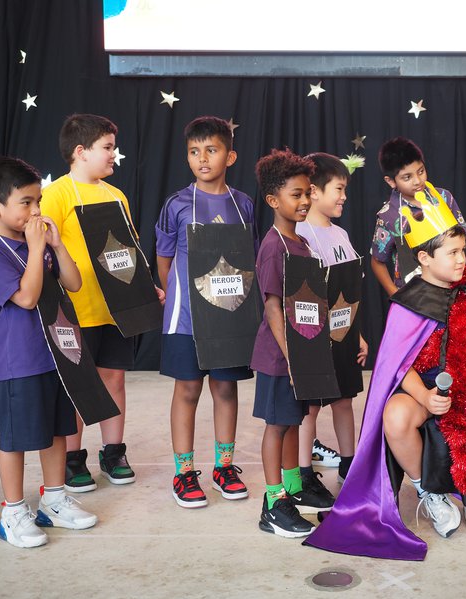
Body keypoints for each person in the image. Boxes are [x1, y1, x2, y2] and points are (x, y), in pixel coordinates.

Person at [306, 193, 466, 559]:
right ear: (425, 258)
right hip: (424, 382)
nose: (461, 259)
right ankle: (428, 492)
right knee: (395, 417)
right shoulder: (408, 303)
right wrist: (424, 396)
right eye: (452, 252)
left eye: (463, 251)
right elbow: (397, 365)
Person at [0, 157, 97, 548]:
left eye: (38, 201)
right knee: (16, 439)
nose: (35, 211)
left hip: (54, 355)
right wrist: (35, 248)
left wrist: (56, 245)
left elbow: (74, 282)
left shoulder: (41, 243)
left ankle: (54, 498)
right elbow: (27, 298)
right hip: (18, 362)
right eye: (25, 202)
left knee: (57, 431)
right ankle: (13, 512)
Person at [41, 114, 159, 492]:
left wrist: (146, 288)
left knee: (114, 379)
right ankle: (73, 458)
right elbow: (43, 249)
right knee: (77, 385)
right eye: (107, 147)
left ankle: (113, 452)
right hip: (75, 309)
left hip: (115, 309)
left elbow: (130, 249)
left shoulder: (116, 195)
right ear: (81, 151)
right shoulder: (57, 194)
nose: (113, 154)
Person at [155, 116, 258, 507]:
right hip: (186, 317)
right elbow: (164, 260)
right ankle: (184, 473)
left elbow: (246, 259)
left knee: (225, 388)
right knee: (187, 389)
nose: (202, 159)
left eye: (211, 150)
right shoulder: (177, 204)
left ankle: (223, 467)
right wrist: (179, 297)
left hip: (228, 315)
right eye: (194, 151)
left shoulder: (242, 203)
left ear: (229, 156)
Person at [252, 149, 332, 538]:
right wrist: (292, 358)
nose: (304, 201)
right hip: (278, 358)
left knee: (292, 423)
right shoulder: (274, 247)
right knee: (276, 426)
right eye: (295, 194)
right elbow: (272, 307)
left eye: (307, 193)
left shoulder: (299, 242)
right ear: (273, 200)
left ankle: (292, 488)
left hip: (298, 355)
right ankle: (273, 503)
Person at [294, 153, 368, 495]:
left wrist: (357, 334)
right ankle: (304, 472)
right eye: (339, 189)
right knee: (309, 407)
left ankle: (349, 463)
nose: (344, 197)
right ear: (314, 191)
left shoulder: (341, 235)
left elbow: (348, 294)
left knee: (344, 399)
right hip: (312, 339)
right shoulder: (300, 235)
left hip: (342, 336)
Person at [370, 137, 466, 295]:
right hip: (412, 295)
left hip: (452, 289)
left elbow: (461, 241)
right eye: (407, 177)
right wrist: (395, 294)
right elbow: (377, 261)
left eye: (421, 171)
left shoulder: (444, 198)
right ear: (391, 181)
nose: (417, 181)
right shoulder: (388, 215)